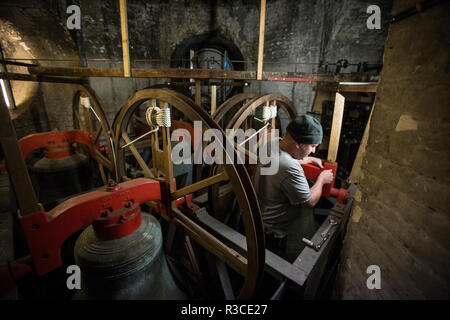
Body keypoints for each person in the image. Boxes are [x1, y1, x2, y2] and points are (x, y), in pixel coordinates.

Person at [252, 115, 334, 259]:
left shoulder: (272, 144)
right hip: (273, 232)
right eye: (313, 146)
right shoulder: (290, 167)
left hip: (257, 217)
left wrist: (309, 159)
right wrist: (321, 180)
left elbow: (287, 157)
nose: (314, 151)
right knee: (271, 263)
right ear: (298, 144)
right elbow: (310, 201)